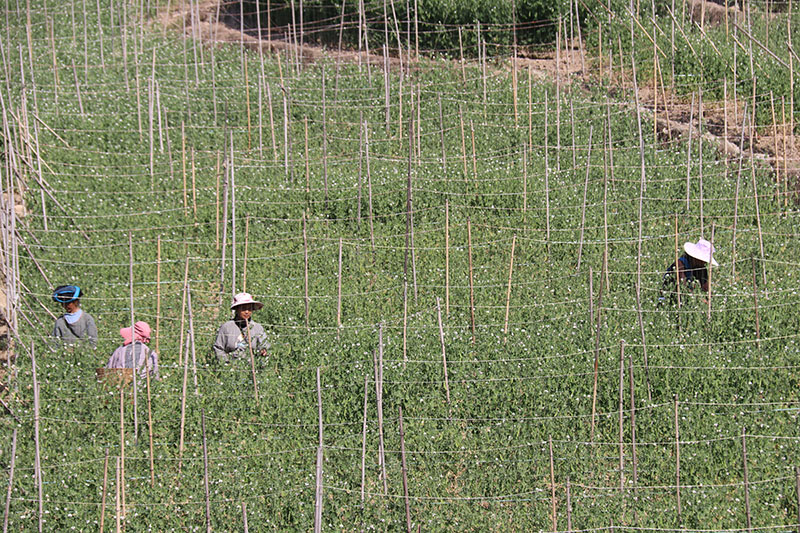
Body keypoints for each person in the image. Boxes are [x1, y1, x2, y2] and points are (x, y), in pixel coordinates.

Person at [213, 292, 269, 362]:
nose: (246, 312)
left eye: (249, 309)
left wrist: (263, 351)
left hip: (252, 368)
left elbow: (264, 346)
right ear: (237, 309)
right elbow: (218, 348)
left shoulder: (257, 328)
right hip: (231, 367)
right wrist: (227, 363)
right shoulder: (227, 327)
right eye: (243, 309)